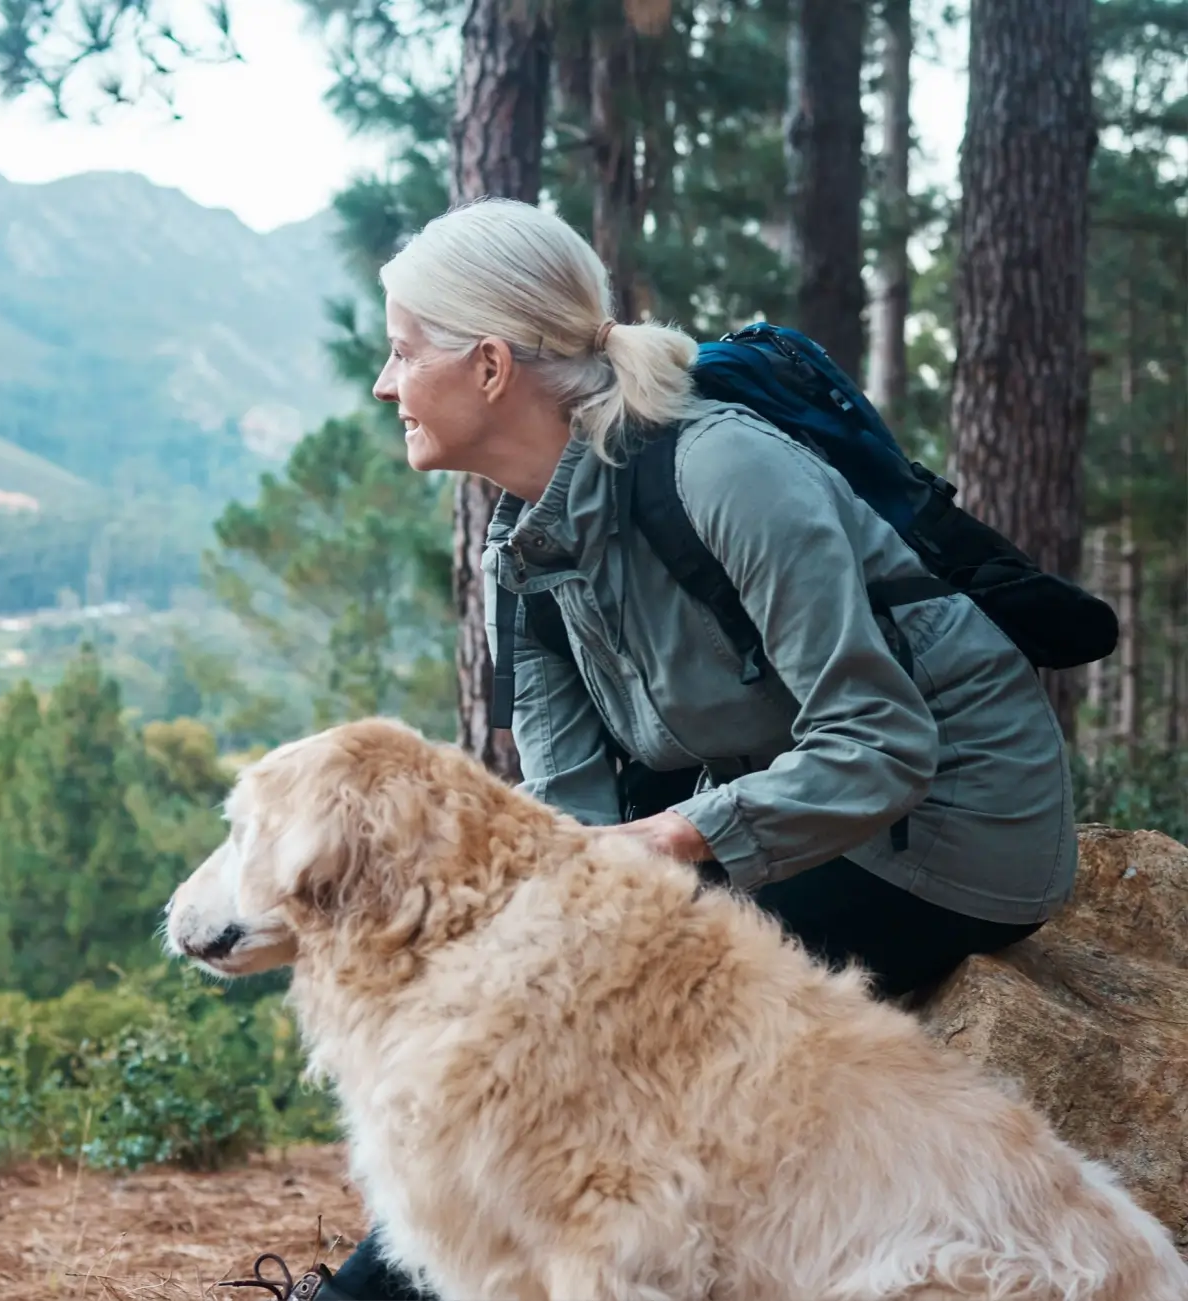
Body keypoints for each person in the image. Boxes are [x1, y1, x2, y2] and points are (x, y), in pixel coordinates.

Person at [221, 197, 1079, 1301]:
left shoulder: (722, 471)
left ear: (488, 365)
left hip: (958, 827)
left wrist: (673, 837)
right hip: (808, 829)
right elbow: (568, 810)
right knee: (522, 995)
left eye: (400, 351)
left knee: (566, 1015)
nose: (384, 385)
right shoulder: (523, 543)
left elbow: (879, 740)